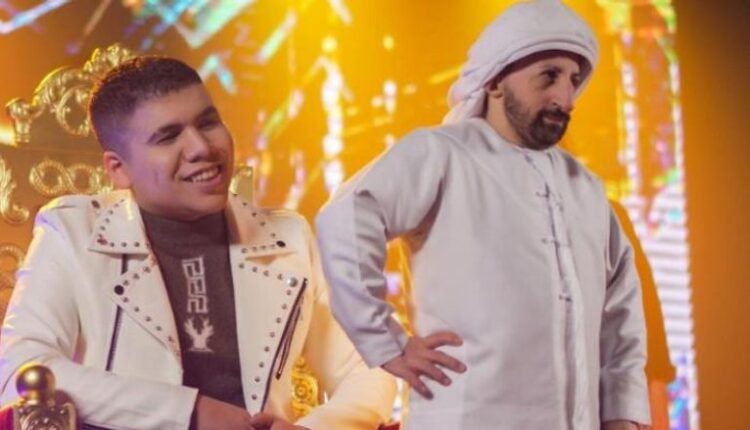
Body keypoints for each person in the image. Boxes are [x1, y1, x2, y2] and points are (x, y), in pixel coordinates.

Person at [0, 56, 395, 430]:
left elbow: (367, 365)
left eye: (208, 123)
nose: (202, 148)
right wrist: (189, 412)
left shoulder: (289, 236)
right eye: (168, 137)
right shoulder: (73, 231)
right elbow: (20, 369)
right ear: (118, 169)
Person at [315, 1, 650, 429]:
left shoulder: (585, 186)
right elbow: (345, 216)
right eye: (548, 76)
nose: (565, 98)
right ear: (495, 81)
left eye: (573, 80)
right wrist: (387, 341)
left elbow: (621, 310)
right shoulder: (441, 153)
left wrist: (622, 414)